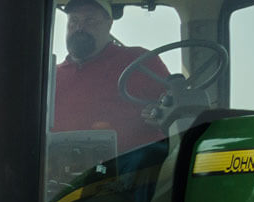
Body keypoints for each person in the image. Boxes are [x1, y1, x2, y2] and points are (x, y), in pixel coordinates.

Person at [53, 0, 172, 152]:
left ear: (109, 24)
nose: (80, 28)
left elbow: (175, 109)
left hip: (136, 170)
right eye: (74, 20)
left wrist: (160, 113)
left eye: (90, 20)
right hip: (61, 172)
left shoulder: (140, 62)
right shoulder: (51, 78)